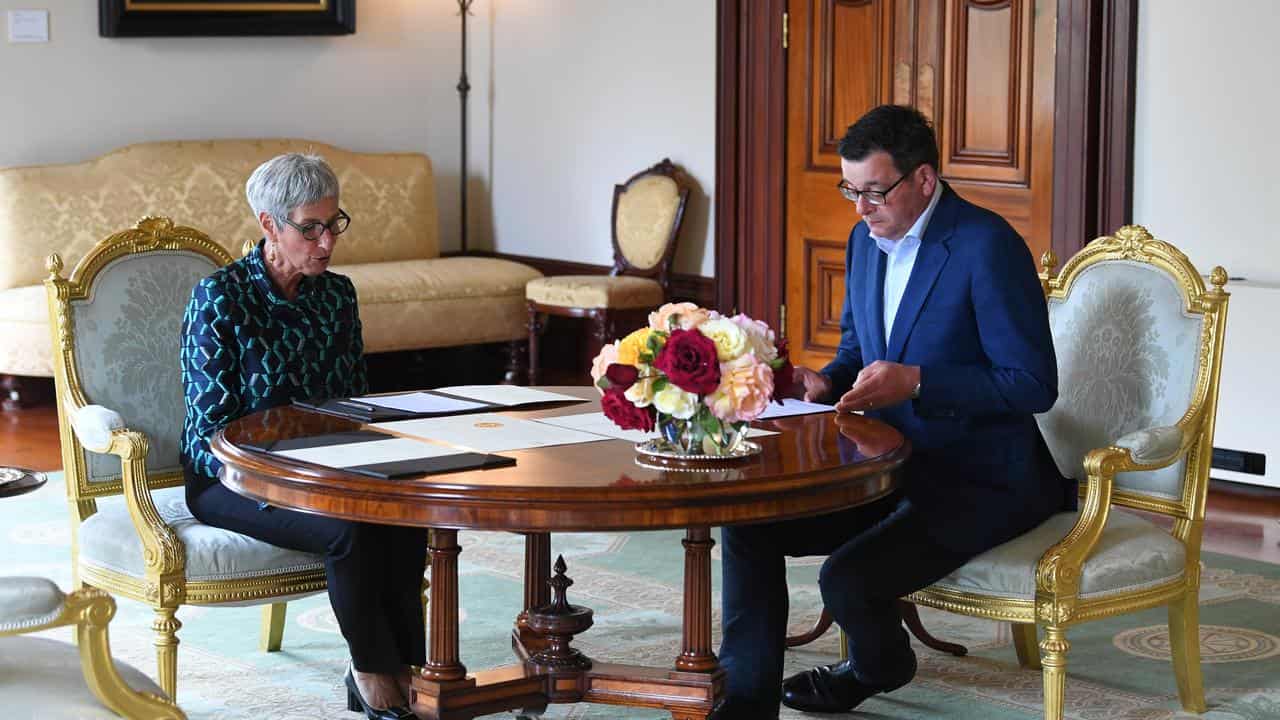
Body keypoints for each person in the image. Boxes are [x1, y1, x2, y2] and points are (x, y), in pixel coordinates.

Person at [711, 105, 1072, 720]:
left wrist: (919, 382)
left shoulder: (986, 247)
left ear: (924, 180)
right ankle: (744, 704)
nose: (860, 207)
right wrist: (824, 380)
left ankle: (881, 664)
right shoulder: (863, 241)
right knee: (749, 524)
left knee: (848, 577)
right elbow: (859, 349)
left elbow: (1034, 384)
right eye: (850, 189)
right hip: (881, 466)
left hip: (979, 478)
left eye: (874, 191)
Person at [180, 153, 425, 720]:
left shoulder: (337, 295)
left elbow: (350, 402)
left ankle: (409, 669)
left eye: (333, 224)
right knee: (349, 533)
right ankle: (369, 673)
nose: (326, 242)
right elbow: (210, 429)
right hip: (230, 477)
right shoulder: (219, 298)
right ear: (269, 224)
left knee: (407, 515)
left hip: (325, 467)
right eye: (309, 228)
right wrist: (293, 468)